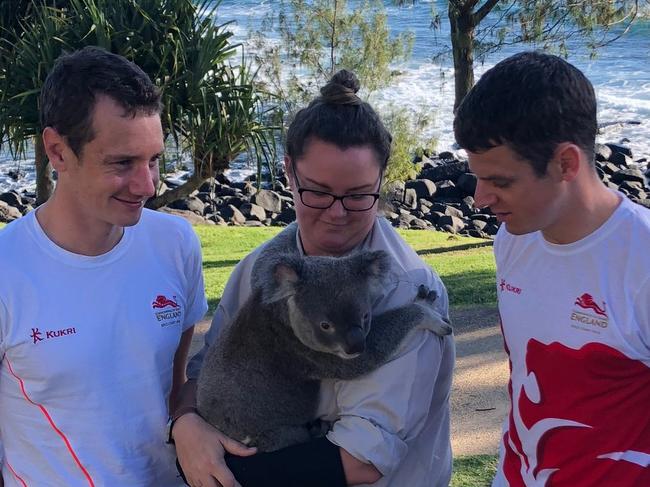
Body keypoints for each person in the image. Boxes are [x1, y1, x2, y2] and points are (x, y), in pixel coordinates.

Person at [171, 70, 455, 487]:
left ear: (381, 180)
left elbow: (363, 461)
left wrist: (229, 472)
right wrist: (184, 426)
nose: (337, 213)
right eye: (318, 192)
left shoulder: (404, 287)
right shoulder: (262, 269)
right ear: (289, 172)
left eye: (359, 195)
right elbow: (204, 374)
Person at [0, 46, 208, 486]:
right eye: (122, 163)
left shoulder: (175, 245)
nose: (147, 185)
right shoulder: (7, 270)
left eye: (154, 159)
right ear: (57, 151)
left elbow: (176, 387)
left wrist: (188, 419)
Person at [454, 51, 650, 486]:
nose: (481, 199)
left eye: (501, 182)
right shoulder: (512, 240)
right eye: (478, 178)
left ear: (566, 163)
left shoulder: (641, 263)